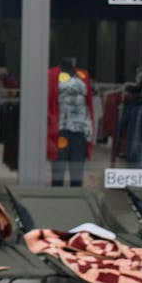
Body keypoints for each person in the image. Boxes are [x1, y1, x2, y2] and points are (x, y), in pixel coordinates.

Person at [47, 57, 94, 187]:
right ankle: (56, 200)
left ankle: (77, 200)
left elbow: (88, 101)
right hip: (61, 129)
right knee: (58, 170)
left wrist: (89, 129)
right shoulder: (51, 74)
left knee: (77, 172)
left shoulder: (83, 75)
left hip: (81, 129)